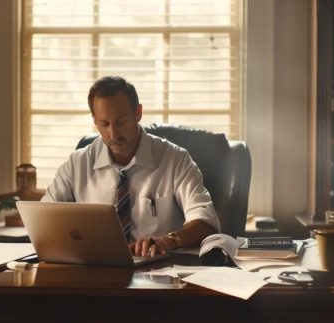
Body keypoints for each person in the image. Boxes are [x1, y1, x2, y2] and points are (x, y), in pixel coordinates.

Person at [43, 76, 219, 258]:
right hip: (94, 265)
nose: (113, 134)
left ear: (138, 113)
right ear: (95, 122)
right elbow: (43, 220)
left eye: (121, 121)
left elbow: (206, 222)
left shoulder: (175, 159)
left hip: (156, 266)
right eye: (104, 124)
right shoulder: (77, 164)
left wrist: (168, 240)